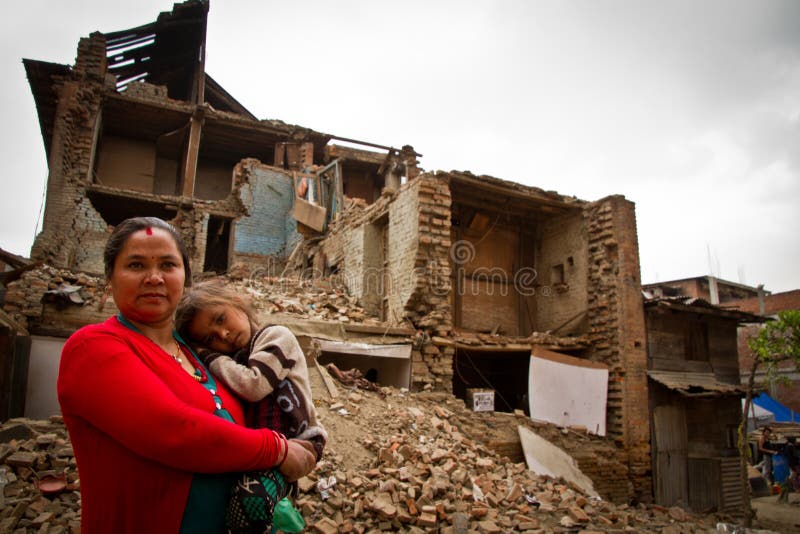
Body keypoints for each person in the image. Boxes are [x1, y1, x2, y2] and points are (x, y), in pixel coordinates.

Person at [57, 217, 316, 534]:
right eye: (136, 265)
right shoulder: (92, 347)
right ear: (110, 277)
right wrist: (276, 450)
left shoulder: (202, 355)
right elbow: (172, 430)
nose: (154, 278)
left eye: (168, 265)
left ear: (184, 276)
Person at [175, 279, 327, 531]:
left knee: (251, 501)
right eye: (210, 338)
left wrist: (208, 356)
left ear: (237, 302)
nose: (223, 334)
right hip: (267, 447)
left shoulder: (276, 336)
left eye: (221, 318)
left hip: (301, 441)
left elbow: (254, 386)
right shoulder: (235, 358)